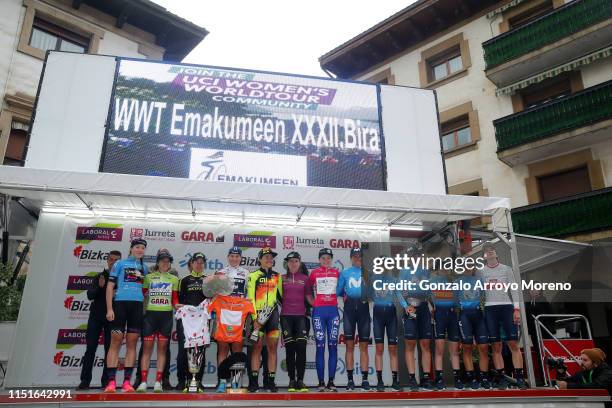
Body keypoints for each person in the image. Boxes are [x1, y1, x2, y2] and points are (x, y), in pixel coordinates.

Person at [478, 243, 527, 390]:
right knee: (496, 346)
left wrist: (516, 309)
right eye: (487, 251)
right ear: (484, 256)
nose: (490, 253)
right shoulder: (480, 271)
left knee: (513, 344)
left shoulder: (506, 269)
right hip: (490, 310)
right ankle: (502, 377)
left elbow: (514, 289)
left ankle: (519, 377)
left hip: (506, 308)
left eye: (492, 250)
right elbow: (479, 293)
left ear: (496, 253)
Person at [104, 239, 149, 393]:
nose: (140, 250)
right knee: (115, 341)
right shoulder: (120, 264)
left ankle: (126, 382)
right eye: (137, 247)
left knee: (132, 343)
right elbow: (110, 287)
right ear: (131, 249)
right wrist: (110, 309)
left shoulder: (145, 268)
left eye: (142, 248)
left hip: (136, 307)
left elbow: (146, 289)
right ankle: (111, 382)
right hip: (120, 305)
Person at [136, 249, 179, 393]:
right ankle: (142, 382)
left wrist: (182, 307)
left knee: (162, 351)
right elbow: (140, 295)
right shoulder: (148, 277)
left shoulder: (174, 279)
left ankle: (158, 382)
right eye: (162, 261)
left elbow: (175, 301)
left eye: (167, 261)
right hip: (150, 317)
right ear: (158, 262)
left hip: (166, 317)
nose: (165, 263)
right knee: (147, 350)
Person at [78, 250, 122, 390]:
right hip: (95, 318)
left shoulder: (123, 280)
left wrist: (118, 293)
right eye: (111, 259)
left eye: (117, 260)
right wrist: (100, 287)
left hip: (113, 318)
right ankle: (85, 381)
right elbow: (90, 295)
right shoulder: (99, 276)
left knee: (110, 350)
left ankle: (106, 382)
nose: (113, 262)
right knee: (90, 349)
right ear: (107, 260)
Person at [247, 247, 283, 393]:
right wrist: (255, 318)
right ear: (260, 259)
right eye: (266, 257)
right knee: (256, 348)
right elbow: (250, 298)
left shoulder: (277, 276)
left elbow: (282, 298)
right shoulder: (253, 275)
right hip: (258, 316)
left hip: (273, 316)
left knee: (272, 349)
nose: (269, 259)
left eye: (271, 257)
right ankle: (254, 382)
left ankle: (270, 382)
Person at [214, 246, 249, 386]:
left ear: (241, 258)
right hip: (223, 314)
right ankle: (222, 381)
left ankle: (235, 382)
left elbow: (248, 294)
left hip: (239, 315)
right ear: (228, 257)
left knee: (237, 348)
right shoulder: (220, 272)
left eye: (237, 256)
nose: (234, 259)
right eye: (232, 256)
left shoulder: (246, 273)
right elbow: (215, 294)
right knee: (222, 348)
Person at [209, 286, 256, 392]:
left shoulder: (245, 302)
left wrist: (248, 301)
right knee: (222, 352)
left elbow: (252, 311)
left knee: (237, 355)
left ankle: (235, 382)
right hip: (222, 331)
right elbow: (209, 309)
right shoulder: (219, 299)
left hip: (238, 332)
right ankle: (222, 381)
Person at [306, 248, 340, 392]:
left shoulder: (337, 273)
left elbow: (343, 290)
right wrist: (314, 304)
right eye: (323, 258)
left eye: (328, 258)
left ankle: (331, 381)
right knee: (320, 346)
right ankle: (321, 382)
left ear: (331, 260)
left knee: (333, 346)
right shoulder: (314, 273)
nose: (326, 261)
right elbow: (307, 291)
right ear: (319, 259)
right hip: (319, 312)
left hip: (333, 312)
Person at [337, 247, 370, 391]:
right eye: (355, 256)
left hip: (363, 309)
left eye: (360, 256)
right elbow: (338, 291)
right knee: (349, 346)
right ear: (351, 257)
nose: (358, 258)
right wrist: (344, 294)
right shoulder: (344, 272)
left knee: (364, 347)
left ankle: (365, 380)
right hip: (349, 309)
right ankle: (350, 380)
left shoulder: (368, 272)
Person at [175, 252, 208, 393]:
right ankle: (183, 381)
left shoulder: (208, 279)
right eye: (196, 262)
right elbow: (178, 300)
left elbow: (212, 299)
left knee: (200, 350)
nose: (199, 264)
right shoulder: (184, 280)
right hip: (186, 320)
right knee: (184, 350)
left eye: (202, 262)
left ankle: (197, 381)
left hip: (202, 319)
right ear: (191, 264)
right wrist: (177, 305)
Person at [368, 268, 405, 391]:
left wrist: (407, 307)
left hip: (391, 315)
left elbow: (399, 295)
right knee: (379, 348)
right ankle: (380, 381)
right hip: (378, 314)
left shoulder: (394, 280)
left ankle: (395, 380)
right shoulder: (373, 279)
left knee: (392, 348)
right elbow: (368, 295)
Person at [399, 261, 433, 391]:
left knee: (425, 343)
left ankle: (425, 378)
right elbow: (398, 289)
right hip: (410, 307)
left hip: (424, 307)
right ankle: (412, 378)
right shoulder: (404, 271)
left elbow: (429, 290)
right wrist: (405, 306)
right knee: (410, 344)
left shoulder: (425, 271)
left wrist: (432, 305)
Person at [456, 265, 490, 389]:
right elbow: (455, 301)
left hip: (478, 315)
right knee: (467, 347)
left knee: (484, 347)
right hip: (464, 315)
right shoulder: (457, 282)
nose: (467, 268)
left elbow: (484, 296)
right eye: (465, 265)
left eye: (470, 265)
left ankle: (484, 377)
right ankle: (472, 377)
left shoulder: (479, 280)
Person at [280, 251, 309, 392]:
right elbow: (278, 298)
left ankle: (301, 381)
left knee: (301, 348)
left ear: (300, 262)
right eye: (290, 261)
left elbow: (310, 298)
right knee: (290, 349)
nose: (293, 264)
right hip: (285, 317)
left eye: (296, 261)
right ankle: (292, 381)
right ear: (287, 263)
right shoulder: (281, 278)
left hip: (301, 318)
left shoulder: (305, 278)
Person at [430, 268, 462, 390]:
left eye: (448, 267)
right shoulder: (432, 281)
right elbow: (428, 297)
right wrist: (432, 308)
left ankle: (457, 378)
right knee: (439, 350)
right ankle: (439, 378)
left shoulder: (454, 281)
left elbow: (458, 300)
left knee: (454, 350)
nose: (445, 269)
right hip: (439, 316)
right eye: (442, 267)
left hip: (452, 315)